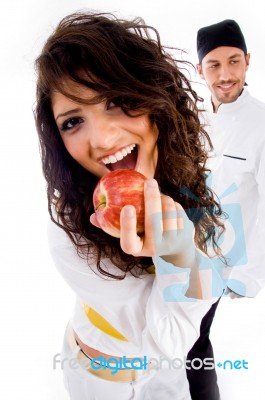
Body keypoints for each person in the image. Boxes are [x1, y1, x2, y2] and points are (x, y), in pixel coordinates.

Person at [34, 12, 225, 400]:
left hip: (164, 375)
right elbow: (167, 340)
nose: (102, 140)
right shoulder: (69, 232)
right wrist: (181, 256)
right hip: (101, 381)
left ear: (154, 95)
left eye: (118, 101)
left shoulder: (190, 175)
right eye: (73, 122)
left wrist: (184, 251)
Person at [186, 18, 265, 400]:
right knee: (177, 336)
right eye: (214, 65)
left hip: (226, 259)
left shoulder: (261, 123)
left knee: (193, 337)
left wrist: (249, 274)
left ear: (248, 61)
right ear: (200, 70)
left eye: (234, 61)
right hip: (182, 247)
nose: (225, 74)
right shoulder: (193, 119)